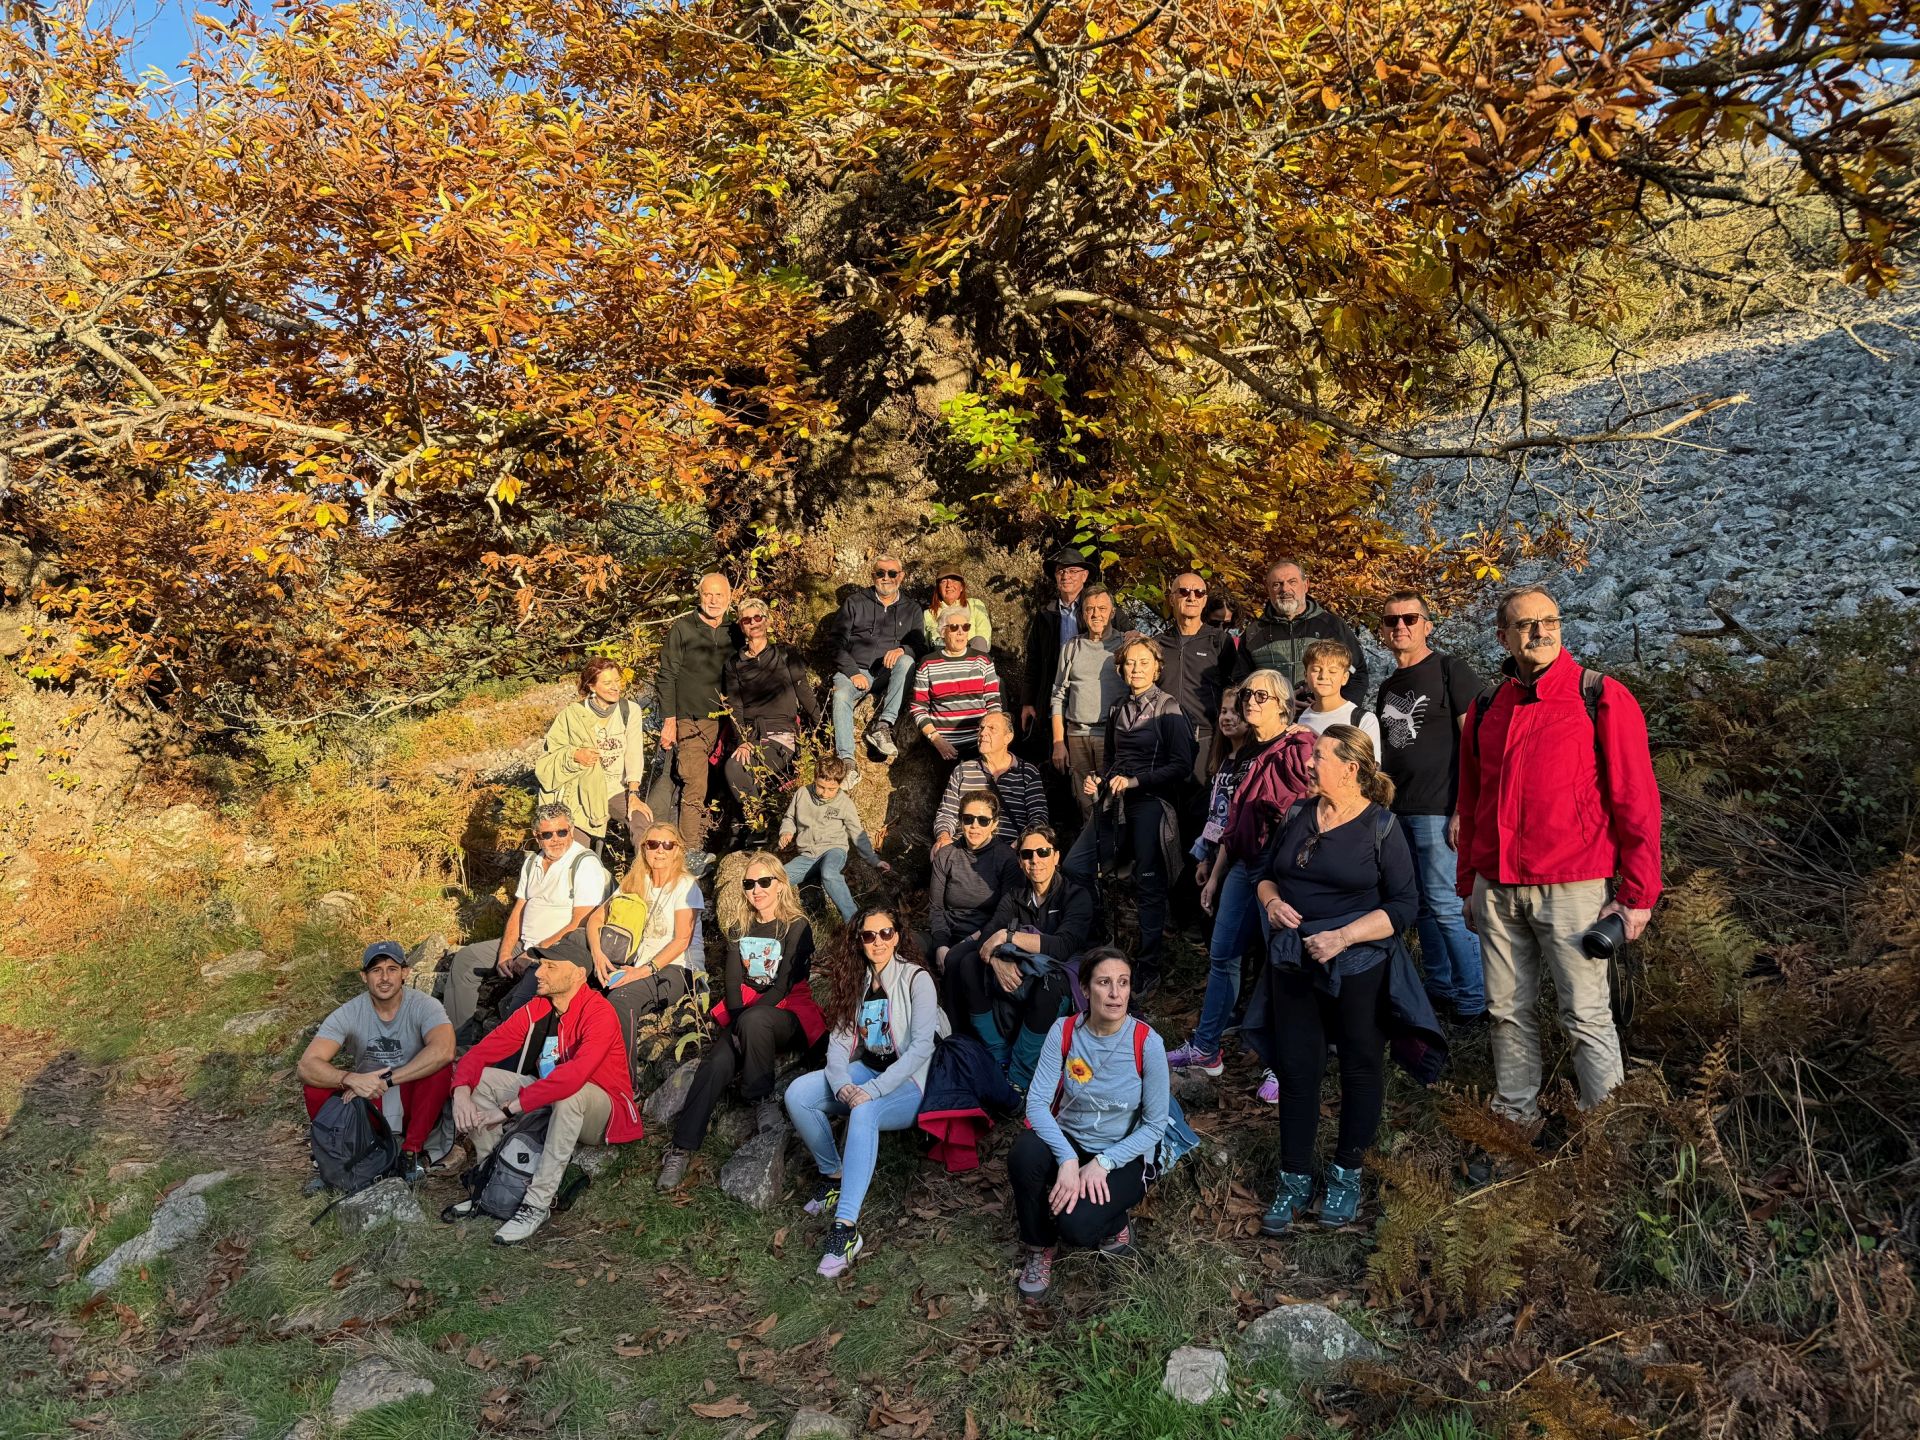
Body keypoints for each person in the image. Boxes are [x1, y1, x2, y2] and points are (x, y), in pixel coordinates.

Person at [1456, 586, 1662, 1133]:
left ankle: (1608, 1138)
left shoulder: (1599, 695)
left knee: (1587, 1016)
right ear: (1503, 636)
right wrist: (1467, 884)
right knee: (1505, 1013)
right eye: (1526, 625)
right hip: (1495, 887)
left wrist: (1638, 896)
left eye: (1550, 621)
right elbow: (1471, 802)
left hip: (1574, 885)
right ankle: (1515, 1123)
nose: (1541, 632)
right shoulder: (1485, 708)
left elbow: (1636, 800)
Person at [1255, 725, 1418, 1234]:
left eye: (1320, 756)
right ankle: (1294, 1179)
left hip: (1357, 968)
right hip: (1294, 964)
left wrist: (1344, 938)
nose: (1309, 763)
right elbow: (1265, 874)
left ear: (1350, 768)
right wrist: (1273, 903)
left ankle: (1346, 1175)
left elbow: (1404, 907)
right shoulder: (1299, 815)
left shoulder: (1381, 827)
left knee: (1360, 1068)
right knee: (1297, 1070)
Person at [1165, 673, 1315, 1089]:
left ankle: (1282, 1063)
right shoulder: (1248, 752)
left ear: (1283, 705)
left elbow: (1310, 812)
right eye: (1247, 693)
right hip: (1241, 864)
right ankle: (1207, 1049)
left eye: (1260, 695)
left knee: (1282, 963)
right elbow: (1236, 818)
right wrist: (1214, 875)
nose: (1250, 701)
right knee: (1222, 955)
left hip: (1279, 867)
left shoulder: (1299, 746)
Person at [785, 907, 948, 1277]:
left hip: (912, 1081)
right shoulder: (857, 981)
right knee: (798, 1093)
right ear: (858, 941)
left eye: (885, 933)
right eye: (868, 935)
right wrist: (843, 1082)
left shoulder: (916, 978)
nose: (877, 942)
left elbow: (922, 1047)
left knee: (863, 1111)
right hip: (870, 1069)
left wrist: (870, 1091)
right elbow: (840, 1044)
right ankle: (833, 1176)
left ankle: (845, 1228)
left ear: (898, 935)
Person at [447, 946, 644, 1244]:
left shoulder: (599, 1012)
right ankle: (494, 1181)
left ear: (579, 974)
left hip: (604, 1108)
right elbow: (485, 1050)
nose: (538, 973)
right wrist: (461, 1090)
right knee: (480, 1081)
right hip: (550, 1093)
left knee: (570, 1095)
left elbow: (574, 1077)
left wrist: (509, 1109)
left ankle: (536, 1205)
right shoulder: (540, 1007)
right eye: (540, 965)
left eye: (550, 967)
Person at [1010, 947, 1170, 1304]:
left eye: (1123, 983)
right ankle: (1038, 1248)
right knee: (1024, 1154)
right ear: (1085, 988)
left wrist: (1102, 1163)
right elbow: (1036, 1103)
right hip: (1071, 1138)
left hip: (1123, 1152)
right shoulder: (1064, 1031)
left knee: (1076, 1227)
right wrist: (1068, 1159)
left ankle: (1116, 1224)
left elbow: (1156, 1124)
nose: (1116, 993)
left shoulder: (1147, 1043)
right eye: (1104, 983)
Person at [658, 854, 825, 1187]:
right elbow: (733, 982)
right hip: (745, 1012)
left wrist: (746, 1019)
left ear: (780, 884)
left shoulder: (796, 926)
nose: (756, 890)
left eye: (764, 882)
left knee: (756, 1020)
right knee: (715, 1062)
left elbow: (784, 985)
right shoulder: (740, 926)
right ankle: (680, 1148)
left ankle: (761, 1098)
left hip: (786, 1011)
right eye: (749, 883)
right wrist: (737, 1022)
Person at [1373, 591, 1488, 1021]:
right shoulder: (1388, 687)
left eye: (1409, 618)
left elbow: (1475, 740)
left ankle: (1475, 998)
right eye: (1391, 620)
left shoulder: (1449, 670)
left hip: (1440, 808)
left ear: (1427, 625)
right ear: (1383, 631)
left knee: (1444, 903)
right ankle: (1440, 985)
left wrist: (1465, 806)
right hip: (1396, 812)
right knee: (1418, 904)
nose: (1399, 626)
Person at [1063, 636, 1194, 993]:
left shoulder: (1169, 708)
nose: (1135, 669)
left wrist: (1137, 781)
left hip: (1151, 803)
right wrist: (1098, 780)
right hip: (1114, 801)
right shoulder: (1118, 707)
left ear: (1156, 667)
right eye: (1129, 663)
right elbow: (1110, 762)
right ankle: (1096, 938)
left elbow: (1181, 765)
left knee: (1149, 884)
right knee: (1076, 866)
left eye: (1143, 662)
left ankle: (1148, 966)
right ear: (1121, 670)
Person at [946, 824, 1095, 1091]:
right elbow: (986, 939)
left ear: (1056, 856)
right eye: (1027, 854)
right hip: (1018, 972)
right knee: (968, 963)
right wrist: (996, 961)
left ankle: (1020, 1076)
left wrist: (1009, 936)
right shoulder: (1015, 897)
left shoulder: (1075, 895)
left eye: (1042, 852)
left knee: (1051, 985)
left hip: (1058, 977)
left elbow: (1063, 946)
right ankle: (998, 1056)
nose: (1035, 860)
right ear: (1020, 861)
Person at [443, 804, 610, 1040]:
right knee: (466, 960)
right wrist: (505, 953)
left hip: (555, 953)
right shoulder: (533, 862)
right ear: (536, 836)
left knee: (518, 1007)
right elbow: (519, 909)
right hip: (524, 944)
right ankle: (455, 1044)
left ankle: (503, 1068)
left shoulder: (584, 864)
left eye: (562, 832)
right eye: (547, 834)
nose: (556, 839)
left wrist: (534, 953)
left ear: (571, 829)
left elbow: (580, 922)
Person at [298, 941, 456, 1187]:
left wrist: (387, 1079)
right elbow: (307, 1065)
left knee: (440, 1069)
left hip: (409, 1099)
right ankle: (333, 1156)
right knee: (315, 1084)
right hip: (367, 1103)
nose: (384, 977)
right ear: (364, 976)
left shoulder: (425, 1005)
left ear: (405, 973)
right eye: (376, 970)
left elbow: (444, 1049)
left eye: (392, 969)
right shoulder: (349, 1012)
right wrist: (349, 1078)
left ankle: (410, 1153)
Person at [590, 822, 705, 1057]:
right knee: (583, 991)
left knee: (622, 999)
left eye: (667, 845)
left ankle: (625, 1084)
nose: (660, 850)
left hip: (678, 968)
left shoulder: (686, 886)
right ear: (644, 849)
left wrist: (641, 971)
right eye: (653, 844)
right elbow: (595, 919)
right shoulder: (634, 883)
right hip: (635, 963)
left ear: (677, 851)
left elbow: (682, 940)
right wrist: (597, 955)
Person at [722, 596, 820, 842]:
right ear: (741, 625)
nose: (753, 623)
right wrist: (741, 741)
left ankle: (759, 825)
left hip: (781, 736)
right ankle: (758, 825)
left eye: (758, 617)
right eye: (747, 619)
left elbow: (804, 691)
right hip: (753, 736)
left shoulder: (786, 653)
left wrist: (823, 727)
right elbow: (735, 707)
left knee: (736, 767)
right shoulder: (734, 663)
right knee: (735, 764)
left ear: (767, 621)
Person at [657, 572, 738, 870]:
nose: (714, 600)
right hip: (690, 721)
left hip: (728, 722)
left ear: (729, 598)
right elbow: (667, 676)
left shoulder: (735, 630)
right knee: (694, 784)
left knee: (730, 780)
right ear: (700, 596)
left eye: (720, 595)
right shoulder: (683, 629)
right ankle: (689, 853)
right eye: (708, 594)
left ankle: (730, 844)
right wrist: (669, 721)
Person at [534, 658, 651, 859]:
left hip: (616, 789)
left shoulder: (630, 711)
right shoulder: (572, 715)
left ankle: (646, 879)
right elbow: (551, 755)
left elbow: (634, 753)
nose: (615, 687)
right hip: (580, 795)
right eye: (607, 683)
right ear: (591, 686)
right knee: (574, 853)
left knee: (643, 822)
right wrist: (575, 754)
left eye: (617, 680)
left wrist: (634, 793)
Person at [830, 555, 923, 785]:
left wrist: (903, 650)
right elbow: (834, 643)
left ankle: (882, 727)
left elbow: (920, 646)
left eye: (892, 573)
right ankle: (847, 761)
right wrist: (853, 672)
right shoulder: (855, 602)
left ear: (901, 576)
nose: (886, 578)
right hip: (855, 672)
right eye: (880, 573)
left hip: (887, 672)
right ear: (872, 576)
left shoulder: (911, 609)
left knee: (907, 661)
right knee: (841, 695)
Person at [1231, 557, 1368, 706]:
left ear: (1306, 585)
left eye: (1292, 582)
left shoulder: (1331, 627)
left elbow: (1357, 674)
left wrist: (1338, 712)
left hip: (1323, 721)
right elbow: (1241, 681)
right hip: (1272, 721)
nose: (1285, 589)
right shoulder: (1254, 632)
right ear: (1268, 589)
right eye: (1277, 584)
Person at [778, 757, 890, 922]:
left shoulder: (844, 803)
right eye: (821, 787)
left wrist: (874, 860)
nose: (825, 793)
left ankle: (853, 921)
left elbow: (857, 832)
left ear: (840, 785)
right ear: (815, 778)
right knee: (778, 879)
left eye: (831, 789)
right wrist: (786, 832)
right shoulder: (802, 793)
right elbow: (789, 818)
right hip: (807, 856)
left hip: (833, 851)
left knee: (829, 872)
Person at [1049, 585, 1126, 817]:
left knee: (1112, 800)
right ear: (1082, 613)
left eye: (1102, 608)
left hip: (1111, 735)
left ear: (1112, 612)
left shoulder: (1125, 646)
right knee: (1084, 801)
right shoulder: (1072, 647)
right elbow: (1058, 695)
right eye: (1089, 609)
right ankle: (1089, 846)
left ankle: (1113, 850)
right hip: (1076, 736)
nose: (1096, 614)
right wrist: (1058, 742)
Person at [930, 710, 1049, 850]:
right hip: (966, 852)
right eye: (981, 728)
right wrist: (944, 837)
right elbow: (946, 814)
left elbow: (1039, 817)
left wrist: (1019, 844)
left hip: (1011, 852)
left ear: (1008, 738)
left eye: (992, 728)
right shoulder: (962, 771)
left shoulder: (1027, 772)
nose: (983, 733)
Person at [928, 789, 1020, 967]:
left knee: (962, 963)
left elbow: (1006, 914)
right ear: (960, 821)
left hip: (986, 935)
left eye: (983, 820)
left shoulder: (1006, 858)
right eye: (968, 819)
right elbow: (936, 907)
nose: (974, 826)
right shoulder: (946, 855)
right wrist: (941, 944)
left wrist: (970, 940)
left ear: (994, 824)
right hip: (946, 932)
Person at [1158, 572, 1233, 783]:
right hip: (1164, 738)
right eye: (1184, 592)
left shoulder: (1219, 641)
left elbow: (1232, 690)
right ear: (1171, 598)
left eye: (1199, 592)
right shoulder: (1157, 643)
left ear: (1205, 600)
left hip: (1205, 739)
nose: (1192, 597)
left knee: (1200, 808)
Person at [910, 608, 1003, 761]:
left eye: (965, 627)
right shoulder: (928, 663)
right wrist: (937, 740)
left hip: (980, 746)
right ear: (942, 632)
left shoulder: (983, 660)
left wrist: (989, 740)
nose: (961, 632)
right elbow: (919, 707)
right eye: (954, 627)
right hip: (944, 750)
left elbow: (993, 701)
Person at [1296, 640, 1382, 750]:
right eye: (1316, 670)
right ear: (1305, 675)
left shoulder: (1363, 720)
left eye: (1332, 671)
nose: (1323, 676)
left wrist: (1312, 736)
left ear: (1344, 678)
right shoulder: (1303, 718)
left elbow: (1371, 766)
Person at [921, 570, 992, 656]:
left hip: (973, 657)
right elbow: (925, 646)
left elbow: (984, 636)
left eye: (954, 581)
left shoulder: (975, 605)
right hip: (943, 660)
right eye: (944, 581)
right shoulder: (928, 614)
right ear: (938, 589)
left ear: (961, 587)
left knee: (979, 640)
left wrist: (961, 650)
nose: (949, 585)